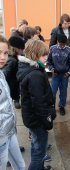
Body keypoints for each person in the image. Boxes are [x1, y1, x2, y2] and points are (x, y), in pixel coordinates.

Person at [17, 39, 56, 170]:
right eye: (44, 55)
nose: (47, 57)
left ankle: (39, 167)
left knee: (36, 145)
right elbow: (39, 103)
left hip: (32, 118)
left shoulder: (32, 69)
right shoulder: (35, 75)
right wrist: (47, 121)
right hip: (37, 120)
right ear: (35, 55)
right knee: (39, 151)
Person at [0, 35, 25, 170]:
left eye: (5, 53)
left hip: (10, 131)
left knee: (20, 165)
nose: (3, 57)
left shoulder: (1, 74)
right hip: (1, 137)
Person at [49, 13, 70, 101]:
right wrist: (53, 66)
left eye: (68, 23)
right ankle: (52, 104)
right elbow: (52, 44)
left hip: (68, 56)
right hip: (57, 58)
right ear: (61, 23)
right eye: (65, 23)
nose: (67, 25)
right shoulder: (55, 30)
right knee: (54, 88)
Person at [47, 34, 70, 115]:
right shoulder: (52, 48)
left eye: (64, 44)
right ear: (58, 42)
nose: (62, 46)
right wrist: (52, 69)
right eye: (61, 44)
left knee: (63, 92)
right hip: (55, 75)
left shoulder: (69, 49)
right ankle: (52, 107)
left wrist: (69, 72)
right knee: (53, 92)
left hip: (64, 75)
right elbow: (49, 62)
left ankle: (62, 106)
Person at [3, 36, 25, 109]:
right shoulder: (12, 60)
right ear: (17, 49)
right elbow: (4, 75)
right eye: (22, 49)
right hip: (11, 87)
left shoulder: (14, 57)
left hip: (14, 86)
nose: (23, 51)